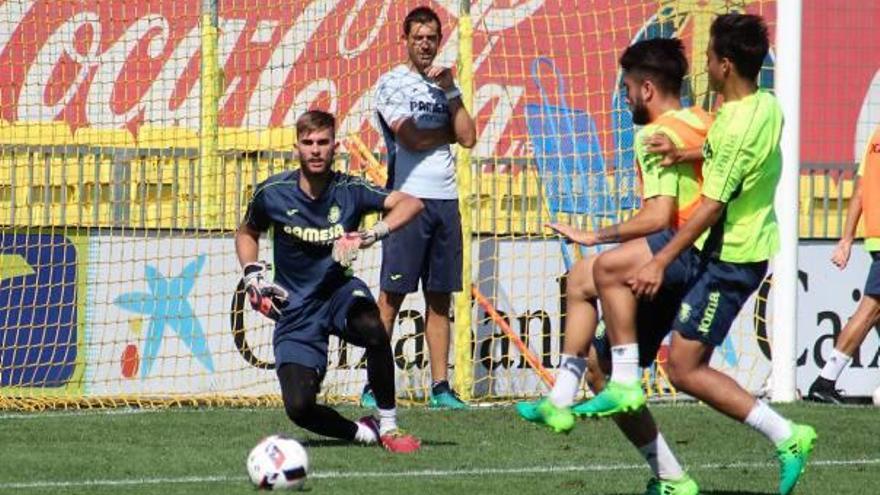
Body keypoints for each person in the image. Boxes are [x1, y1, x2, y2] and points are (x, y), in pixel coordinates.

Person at [578, 14, 816, 495]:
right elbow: (739, 157)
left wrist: (659, 261)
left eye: (708, 56)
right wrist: (689, 155)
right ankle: (670, 478)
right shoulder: (767, 106)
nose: (702, 65)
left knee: (683, 367)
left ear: (725, 65)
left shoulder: (731, 125)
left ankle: (788, 435)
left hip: (729, 260)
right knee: (600, 363)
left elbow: (710, 208)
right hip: (717, 255)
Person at [517, 38, 707, 495]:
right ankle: (566, 397)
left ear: (646, 89)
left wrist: (594, 234)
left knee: (596, 273)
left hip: (676, 257)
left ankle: (579, 394)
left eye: (625, 90)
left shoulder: (654, 135)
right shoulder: (702, 122)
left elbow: (661, 216)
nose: (623, 100)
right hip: (696, 255)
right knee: (583, 284)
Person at [235, 110, 424, 453]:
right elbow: (247, 233)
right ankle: (365, 432)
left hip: (339, 294)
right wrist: (252, 274)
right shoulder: (272, 193)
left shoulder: (350, 190)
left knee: (373, 328)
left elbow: (411, 203)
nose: (316, 150)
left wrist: (370, 234)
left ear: (335, 146)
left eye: (323, 142)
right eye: (308, 143)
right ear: (296, 148)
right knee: (299, 408)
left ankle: (390, 425)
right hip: (295, 310)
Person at [364, 5, 477, 409]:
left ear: (439, 40)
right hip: (406, 201)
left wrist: (450, 92)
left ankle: (441, 388)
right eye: (418, 38)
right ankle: (373, 382)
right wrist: (447, 132)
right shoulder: (392, 84)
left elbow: (468, 138)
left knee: (439, 298)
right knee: (391, 296)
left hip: (446, 202)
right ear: (405, 39)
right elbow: (410, 137)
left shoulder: (446, 86)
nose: (425, 45)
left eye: (431, 38)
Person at [806, 123, 880, 403]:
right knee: (870, 310)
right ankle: (824, 381)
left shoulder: (875, 136)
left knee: (875, 312)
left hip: (874, 237)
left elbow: (860, 191)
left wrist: (847, 238)